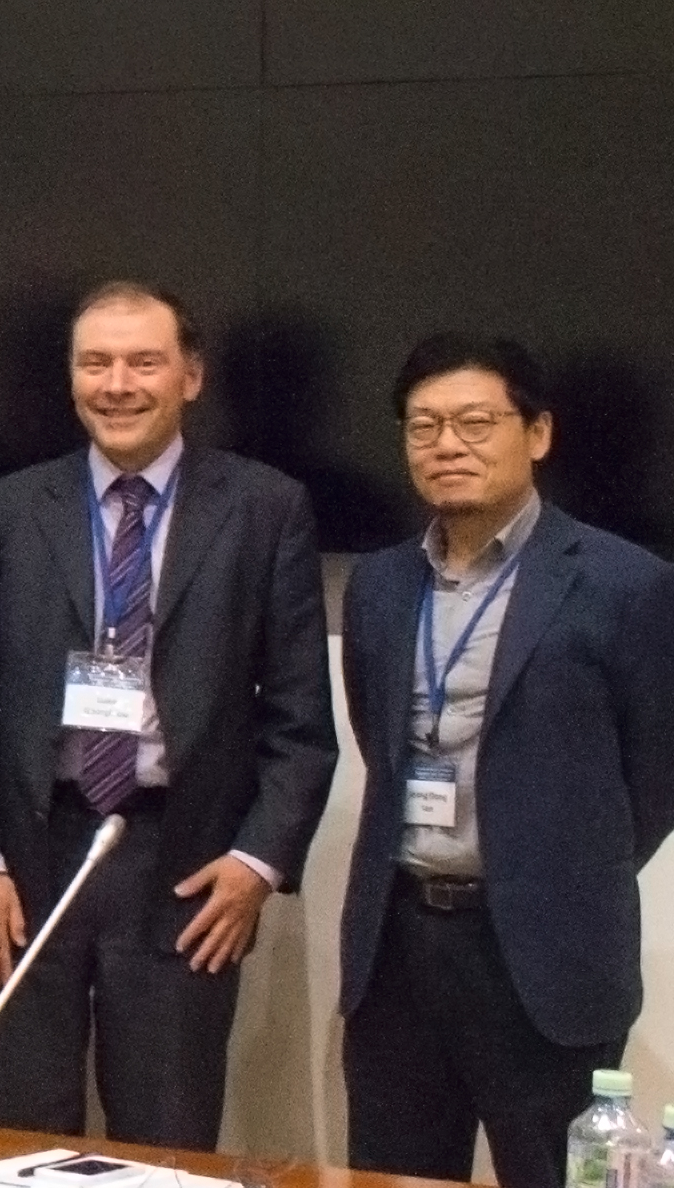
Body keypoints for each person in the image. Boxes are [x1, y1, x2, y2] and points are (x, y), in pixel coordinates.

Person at [0, 282, 333, 1148]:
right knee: (10, 1134)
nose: (117, 384)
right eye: (96, 363)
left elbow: (300, 722)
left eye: (143, 362)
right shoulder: (7, 510)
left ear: (190, 377)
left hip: (183, 866)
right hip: (26, 862)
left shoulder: (265, 509)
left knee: (165, 1137)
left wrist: (256, 862)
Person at [336, 333, 674, 1188]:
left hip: (546, 958)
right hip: (399, 948)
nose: (447, 445)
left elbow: (654, 774)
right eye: (424, 426)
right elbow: (381, 745)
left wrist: (555, 869)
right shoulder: (379, 585)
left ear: (538, 432)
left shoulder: (625, 583)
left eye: (476, 423)